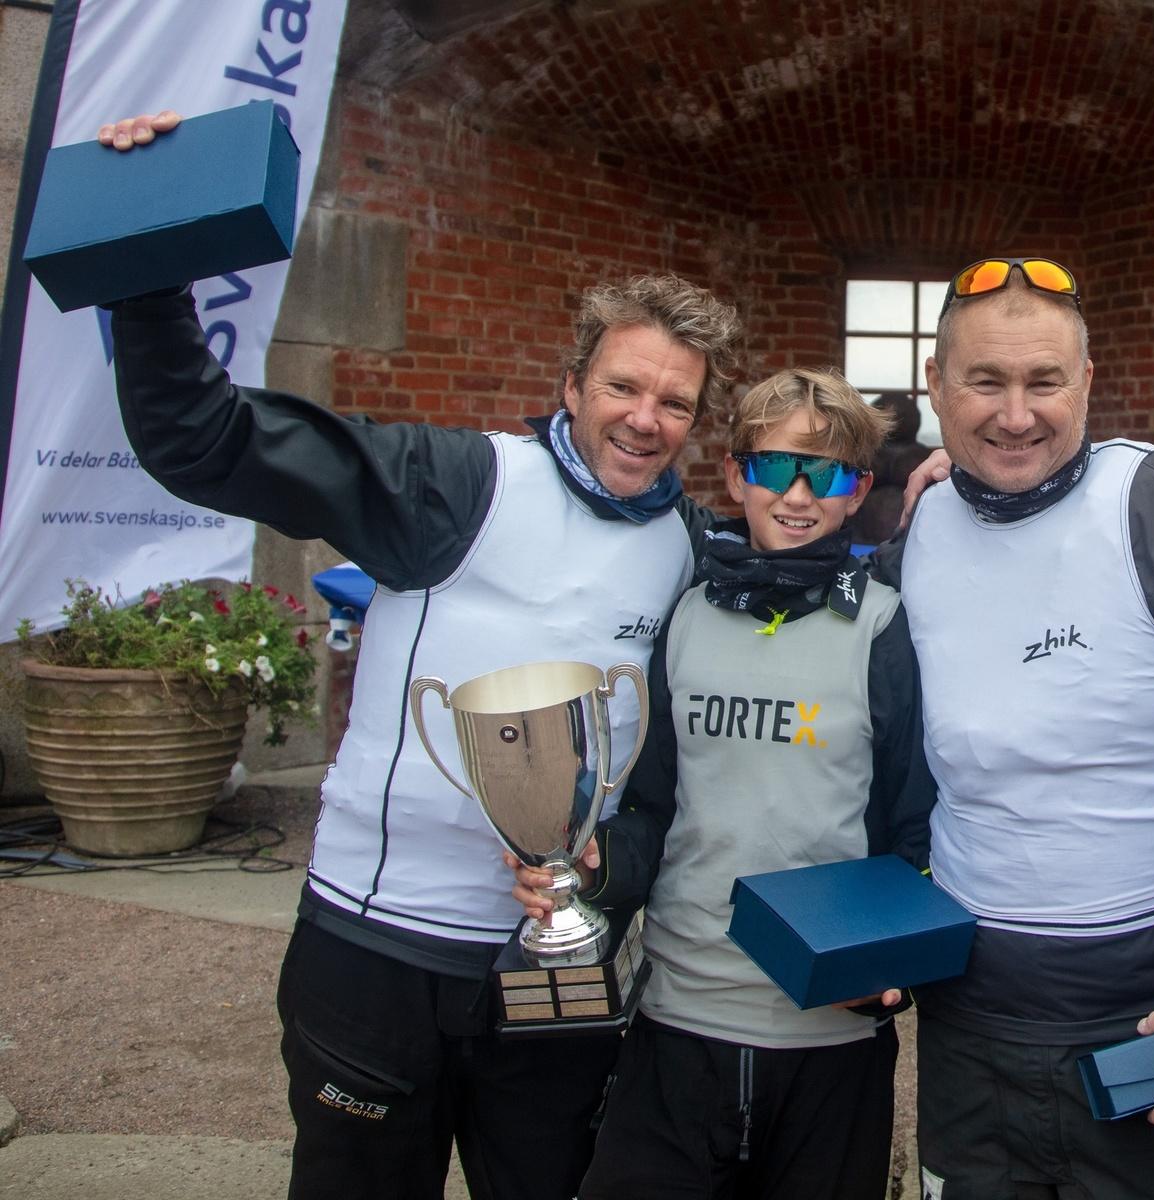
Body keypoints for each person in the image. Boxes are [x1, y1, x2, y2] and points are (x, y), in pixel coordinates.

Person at [105, 98, 745, 1200]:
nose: (647, 419)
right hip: (377, 950)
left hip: (560, 963)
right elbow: (201, 439)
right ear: (574, 386)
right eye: (625, 388)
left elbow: (663, 777)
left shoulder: (687, 547)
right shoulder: (459, 482)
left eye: (676, 403)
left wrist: (609, 869)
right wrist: (149, 245)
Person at [875, 257, 1154, 1199]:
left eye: (1045, 382)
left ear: (1087, 383)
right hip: (972, 1019)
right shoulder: (918, 528)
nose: (1014, 414)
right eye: (985, 381)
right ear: (935, 386)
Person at [511, 368, 934, 1198]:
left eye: (831, 474)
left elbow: (918, 829)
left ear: (860, 494)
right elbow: (655, 808)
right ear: (737, 475)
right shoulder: (689, 615)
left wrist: (892, 975)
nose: (800, 495)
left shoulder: (887, 627)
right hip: (678, 1024)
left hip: (828, 1041)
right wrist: (594, 865)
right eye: (777, 468)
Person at [847, 390, 933, 548]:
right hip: (859, 537)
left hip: (912, 542)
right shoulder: (861, 457)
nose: (895, 418)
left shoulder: (926, 460)